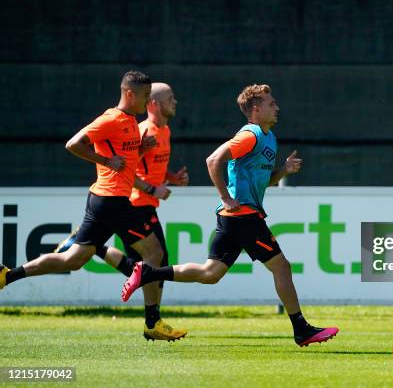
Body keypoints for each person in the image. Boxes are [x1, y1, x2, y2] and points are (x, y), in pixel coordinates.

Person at [120, 84, 339, 346]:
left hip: (235, 217)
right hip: (242, 215)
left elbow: (264, 181)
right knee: (282, 266)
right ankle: (301, 329)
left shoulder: (269, 137)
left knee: (210, 273)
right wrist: (226, 197)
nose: (277, 107)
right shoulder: (250, 135)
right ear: (256, 110)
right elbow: (213, 160)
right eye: (271, 104)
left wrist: (283, 171)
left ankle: (147, 274)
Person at [0, 71, 175, 339]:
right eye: (144, 96)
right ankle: (153, 322)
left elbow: (123, 161)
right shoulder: (110, 119)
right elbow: (73, 144)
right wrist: (106, 162)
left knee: (73, 259)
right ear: (130, 94)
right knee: (154, 253)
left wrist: (140, 150)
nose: (147, 101)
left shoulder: (130, 121)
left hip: (103, 201)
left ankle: (7, 276)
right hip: (112, 200)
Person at [55, 82, 189, 341]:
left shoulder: (165, 131)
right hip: (135, 202)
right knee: (154, 262)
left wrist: (171, 178)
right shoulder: (138, 128)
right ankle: (154, 321)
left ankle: (94, 247)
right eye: (171, 98)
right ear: (156, 104)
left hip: (142, 202)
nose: (176, 102)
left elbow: (148, 165)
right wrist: (151, 189)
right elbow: (130, 170)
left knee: (144, 267)